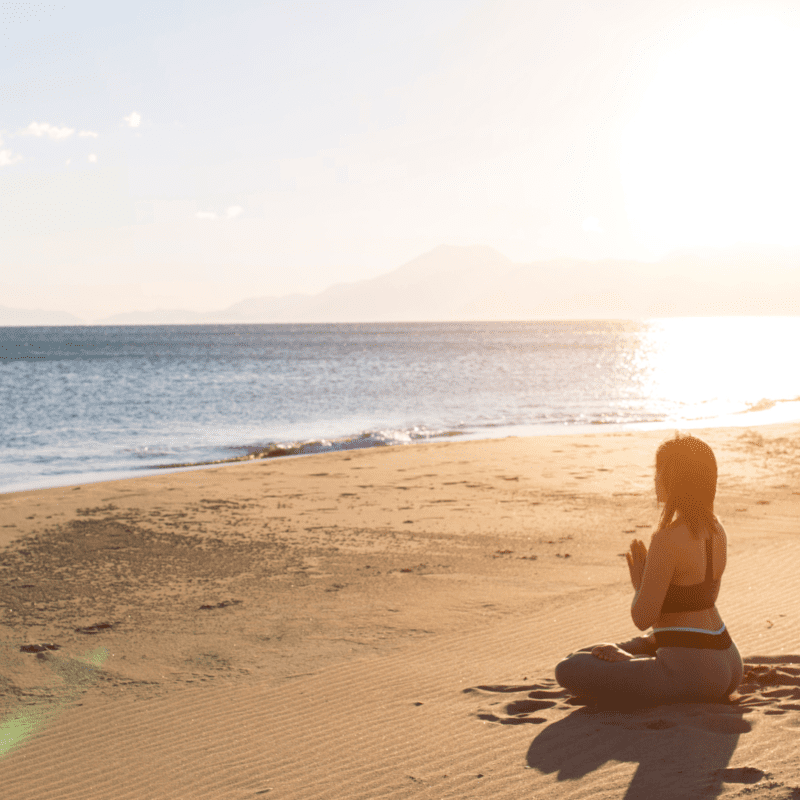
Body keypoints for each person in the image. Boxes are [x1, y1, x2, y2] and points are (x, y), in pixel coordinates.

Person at [554, 432, 743, 705]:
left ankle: (636, 659)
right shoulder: (717, 529)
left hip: (693, 672)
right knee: (591, 652)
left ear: (675, 479)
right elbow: (705, 600)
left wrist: (640, 585)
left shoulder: (667, 538)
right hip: (729, 662)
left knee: (569, 668)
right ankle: (639, 653)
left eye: (658, 471)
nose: (654, 479)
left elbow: (643, 617)